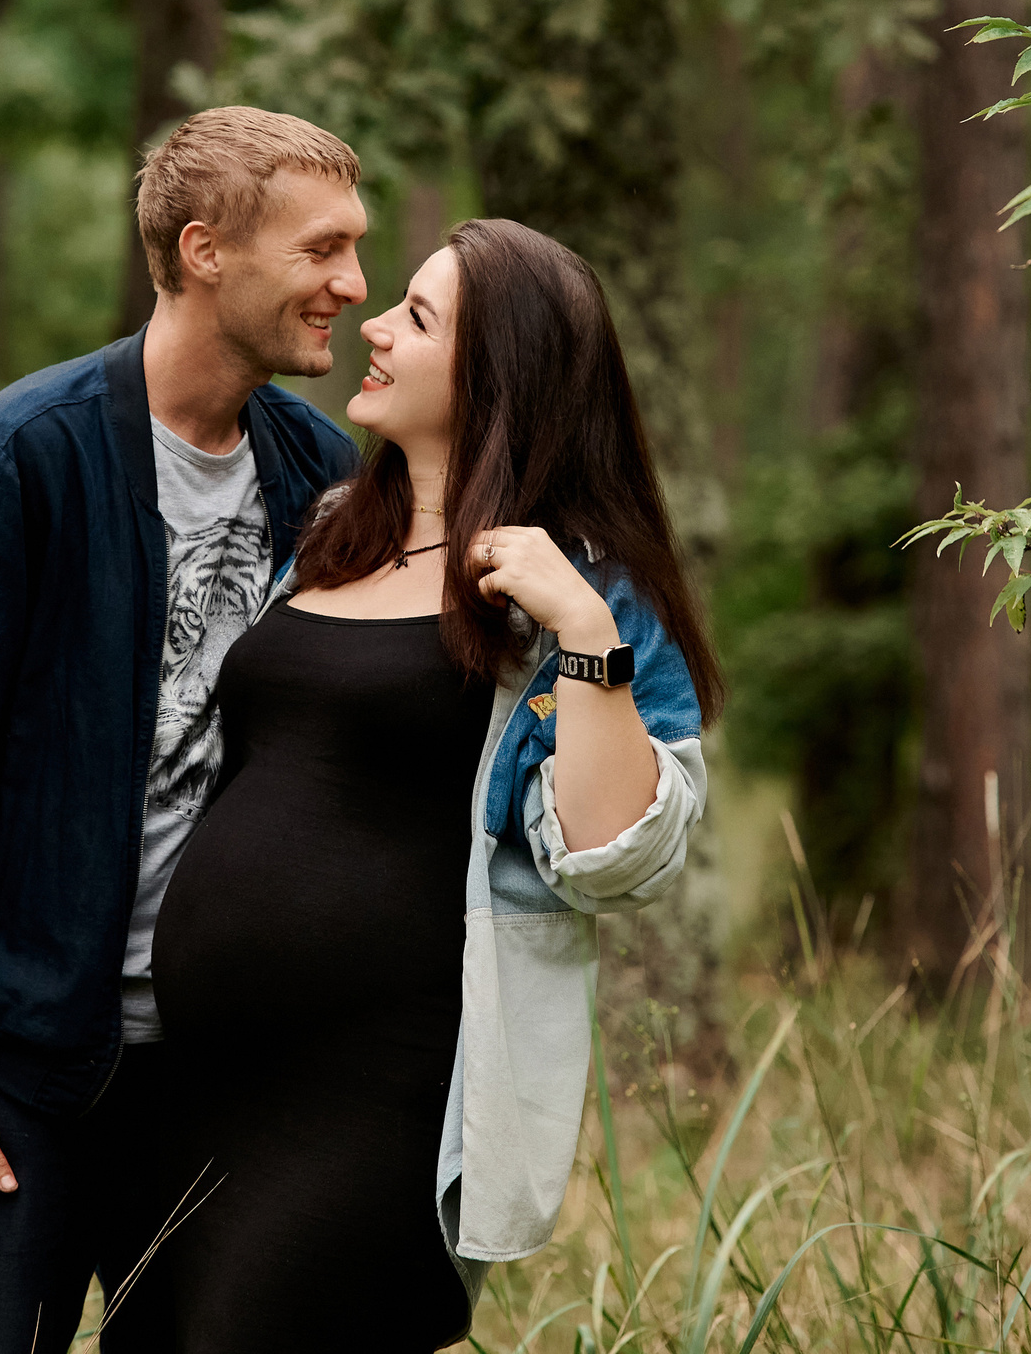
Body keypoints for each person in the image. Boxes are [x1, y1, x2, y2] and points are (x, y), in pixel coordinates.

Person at [151, 217, 726, 1352]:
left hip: (380, 1091)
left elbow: (615, 860)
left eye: (416, 317)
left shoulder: (581, 590)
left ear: (497, 376)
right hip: (209, 1085)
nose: (371, 322)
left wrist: (583, 634)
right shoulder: (327, 532)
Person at [0, 108, 368, 1353]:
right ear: (204, 251)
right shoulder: (19, 460)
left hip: (220, 1079)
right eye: (321, 251)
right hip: (23, 1074)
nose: (353, 286)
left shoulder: (318, 469)